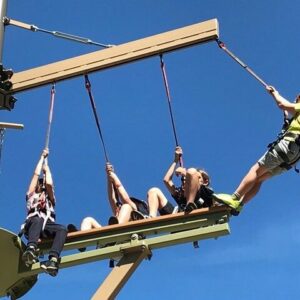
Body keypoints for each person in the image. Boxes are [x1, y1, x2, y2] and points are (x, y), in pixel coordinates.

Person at [213, 86, 300, 215]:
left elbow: (283, 104)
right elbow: (288, 116)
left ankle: (235, 198)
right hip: (293, 159)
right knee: (259, 179)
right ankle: (240, 205)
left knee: (255, 170)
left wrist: (275, 94)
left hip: (286, 148)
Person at [22, 149, 67, 277]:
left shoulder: (50, 200)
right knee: (37, 219)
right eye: (39, 184)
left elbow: (49, 184)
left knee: (62, 229)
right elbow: (36, 175)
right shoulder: (31, 195)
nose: (41, 185)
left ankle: (52, 260)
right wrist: (42, 158)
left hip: (46, 226)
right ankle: (31, 248)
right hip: (32, 224)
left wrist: (47, 170)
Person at [76, 162, 148, 230]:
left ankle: (116, 229)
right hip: (111, 234)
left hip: (125, 232)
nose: (119, 208)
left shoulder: (133, 208)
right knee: (88, 220)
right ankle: (78, 237)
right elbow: (112, 198)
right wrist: (109, 177)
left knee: (126, 206)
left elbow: (124, 196)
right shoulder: (119, 212)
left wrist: (113, 175)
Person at [146, 146, 214, 218]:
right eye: (184, 180)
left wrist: (185, 172)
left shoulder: (205, 192)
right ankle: (151, 217)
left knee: (192, 171)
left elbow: (192, 173)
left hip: (198, 216)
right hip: (179, 216)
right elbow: (166, 180)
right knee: (154, 191)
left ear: (205, 181)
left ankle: (190, 204)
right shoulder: (181, 194)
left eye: (188, 179)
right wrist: (175, 160)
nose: (185, 180)